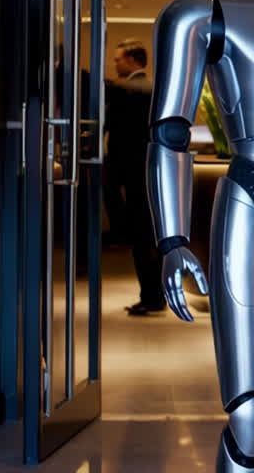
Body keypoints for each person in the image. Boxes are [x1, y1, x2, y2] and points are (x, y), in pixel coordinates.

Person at [104, 39, 164, 316]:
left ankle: (150, 296)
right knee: (153, 237)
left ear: (131, 60)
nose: (115, 63)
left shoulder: (124, 90)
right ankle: (156, 295)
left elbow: (116, 134)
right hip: (153, 172)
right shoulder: (156, 89)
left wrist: (112, 177)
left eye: (118, 59)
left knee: (141, 239)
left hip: (132, 173)